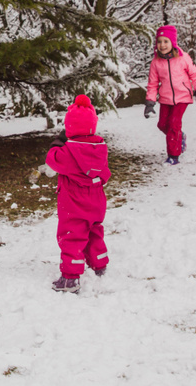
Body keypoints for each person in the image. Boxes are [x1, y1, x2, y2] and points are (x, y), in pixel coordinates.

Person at [46, 94, 111, 294]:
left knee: (72, 235)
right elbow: (105, 175)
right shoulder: (100, 148)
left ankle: (70, 278)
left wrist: (58, 142)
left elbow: (51, 159)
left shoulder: (67, 152)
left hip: (74, 203)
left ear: (69, 128)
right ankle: (99, 264)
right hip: (97, 200)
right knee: (94, 231)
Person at [143, 25, 196, 165]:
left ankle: (173, 155)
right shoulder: (156, 62)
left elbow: (195, 75)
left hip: (182, 97)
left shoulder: (183, 58)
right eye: (159, 41)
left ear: (173, 42)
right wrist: (150, 103)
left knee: (173, 125)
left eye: (166, 41)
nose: (162, 45)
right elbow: (152, 84)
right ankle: (180, 137)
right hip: (165, 98)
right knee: (162, 124)